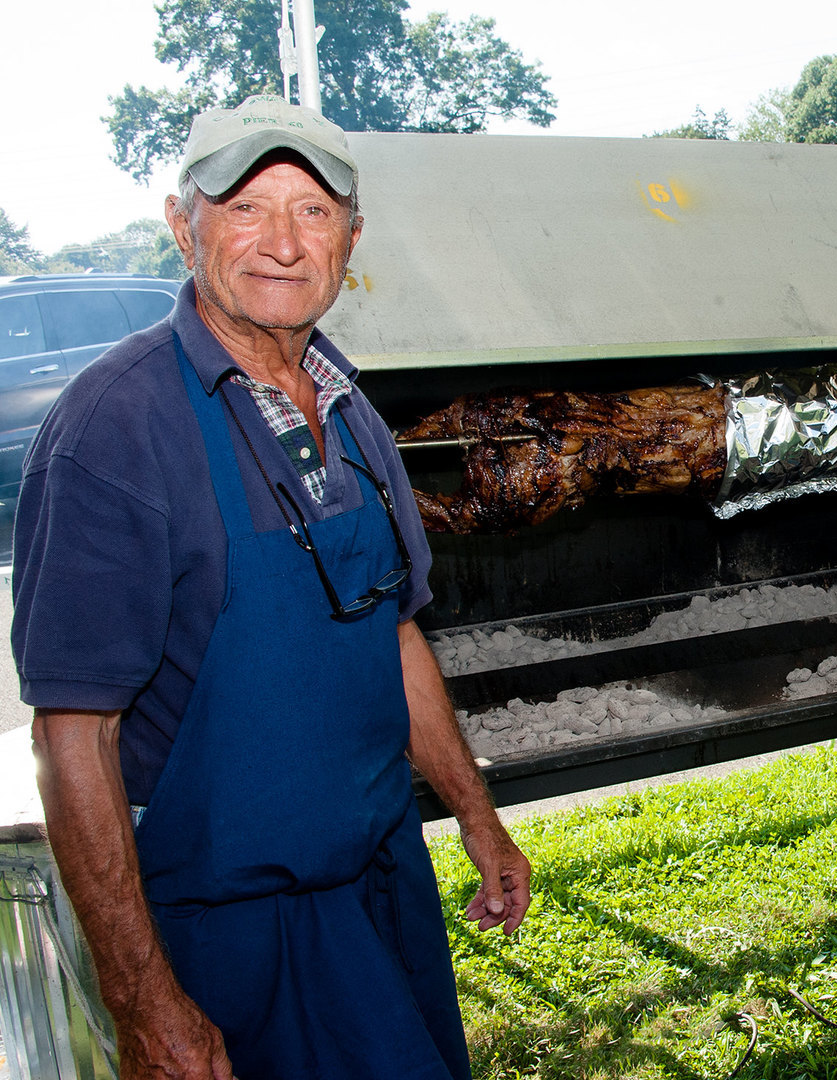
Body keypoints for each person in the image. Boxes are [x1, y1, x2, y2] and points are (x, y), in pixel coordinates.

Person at [11, 94, 531, 1080]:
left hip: (382, 892)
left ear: (352, 236)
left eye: (312, 210)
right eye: (245, 206)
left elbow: (395, 631)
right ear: (182, 222)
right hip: (231, 937)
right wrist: (146, 1005)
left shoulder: (347, 400)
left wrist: (474, 814)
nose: (282, 243)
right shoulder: (115, 429)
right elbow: (70, 736)